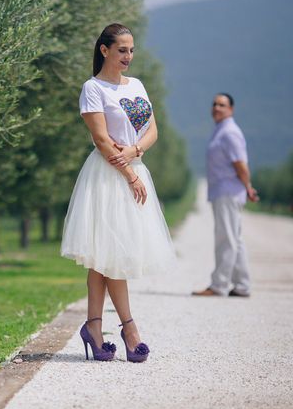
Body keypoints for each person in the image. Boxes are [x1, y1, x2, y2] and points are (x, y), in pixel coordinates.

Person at [60, 23, 176, 363]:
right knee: (111, 255)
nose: (128, 56)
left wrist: (136, 153)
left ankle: (94, 328)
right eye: (122, 49)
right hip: (108, 177)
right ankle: (129, 328)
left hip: (133, 171)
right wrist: (127, 172)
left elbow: (152, 129)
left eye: (131, 49)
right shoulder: (93, 88)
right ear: (105, 50)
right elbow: (101, 139)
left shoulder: (137, 85)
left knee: (104, 257)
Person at [193, 93, 258, 298]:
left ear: (231, 109)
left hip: (228, 192)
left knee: (226, 238)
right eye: (214, 104)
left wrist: (248, 186)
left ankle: (219, 285)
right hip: (225, 191)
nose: (216, 107)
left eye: (222, 104)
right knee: (234, 239)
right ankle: (242, 285)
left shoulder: (229, 132)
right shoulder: (221, 130)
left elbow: (240, 164)